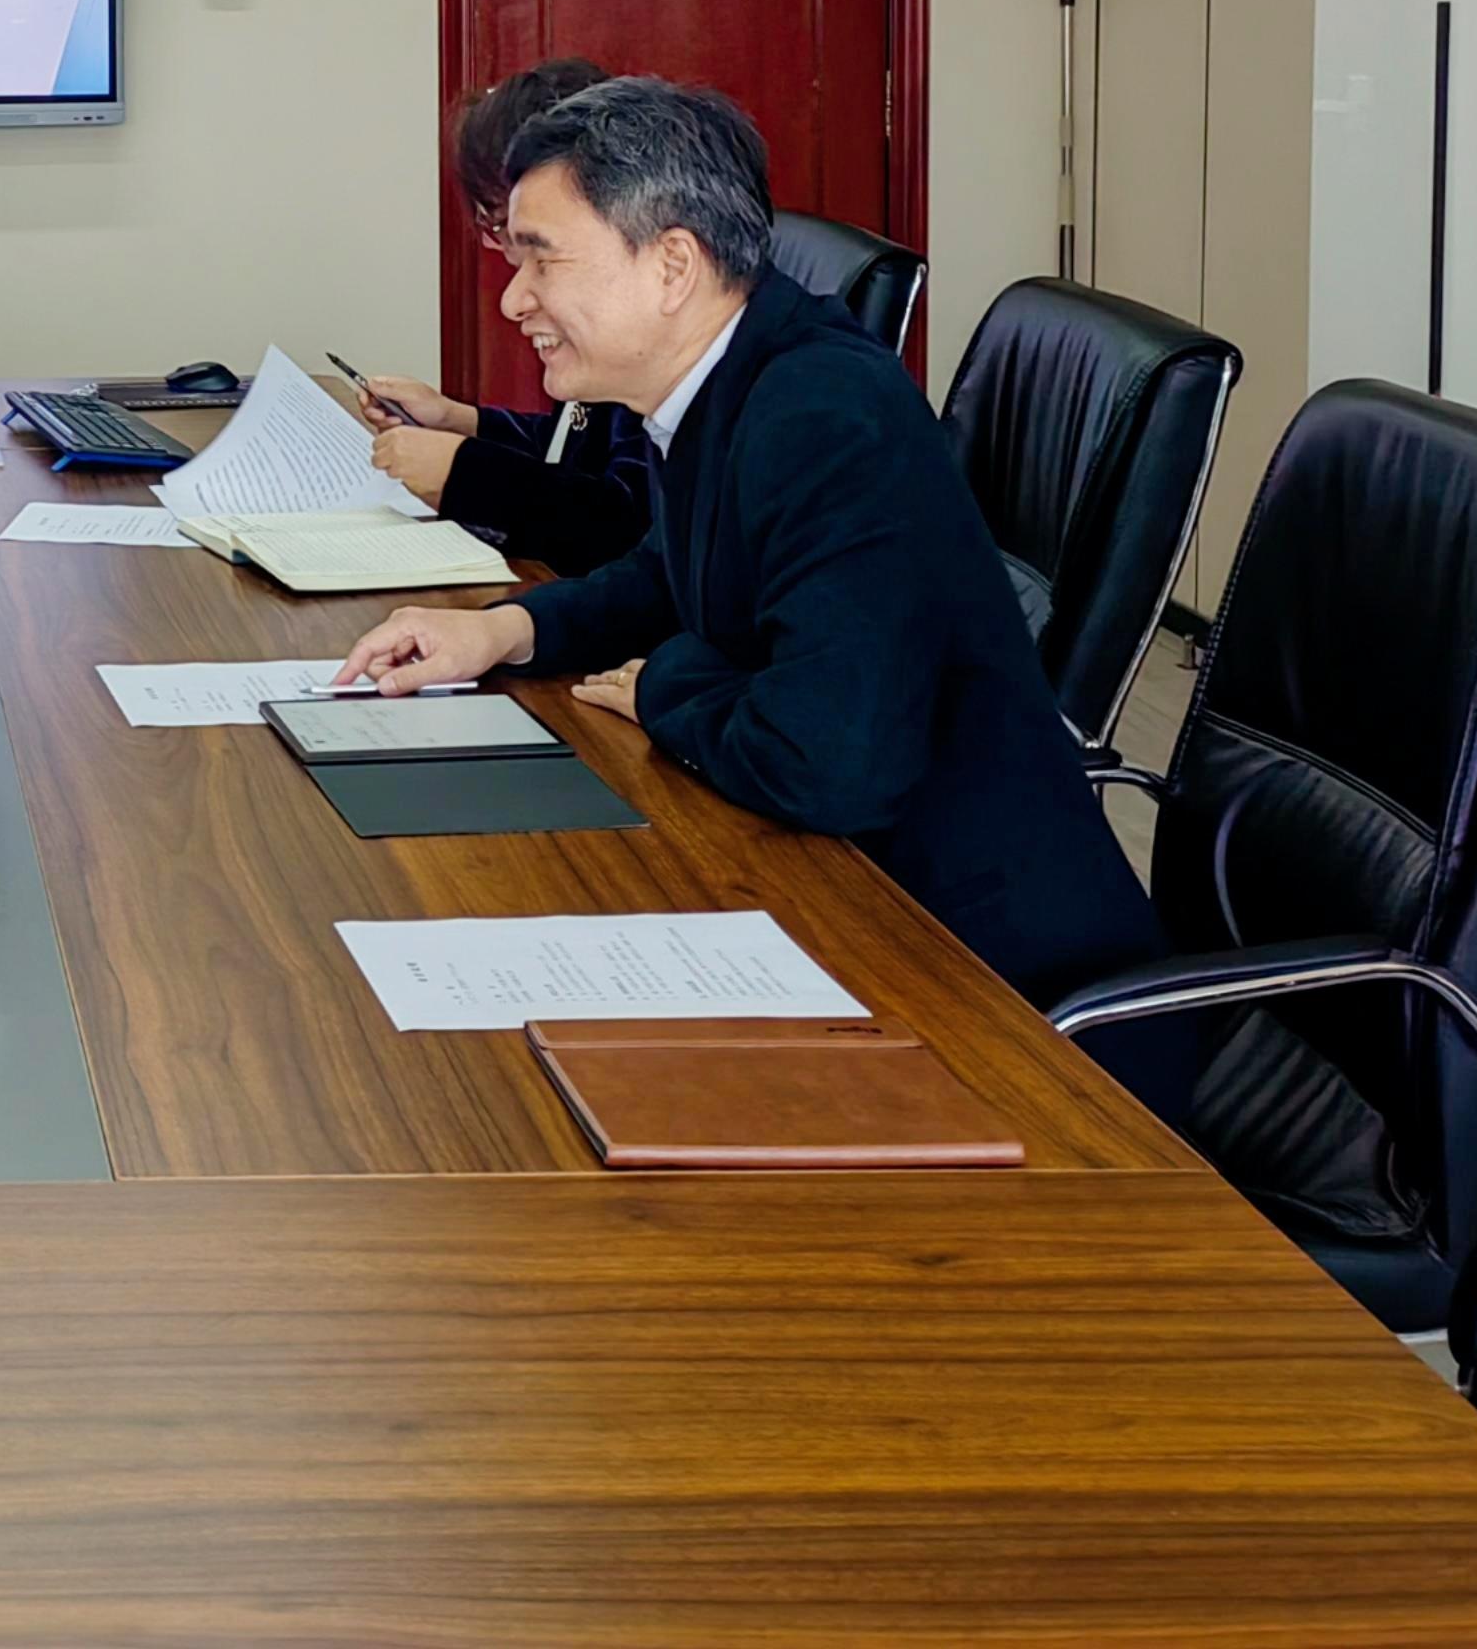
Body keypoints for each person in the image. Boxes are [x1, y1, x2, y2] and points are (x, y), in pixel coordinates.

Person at [333, 77, 1191, 1123]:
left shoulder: (823, 412)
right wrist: (503, 631)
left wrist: (669, 686)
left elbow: (824, 762)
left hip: (1003, 1009)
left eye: (541, 258)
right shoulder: (727, 376)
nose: (515, 299)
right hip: (864, 915)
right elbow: (670, 572)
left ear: (672, 265)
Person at [351, 57, 660, 576]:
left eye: (515, 229)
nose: (514, 296)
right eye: (500, 226)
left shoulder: (642, 332)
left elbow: (628, 529)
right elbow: (570, 448)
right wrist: (459, 420)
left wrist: (464, 473)